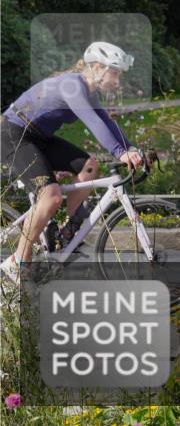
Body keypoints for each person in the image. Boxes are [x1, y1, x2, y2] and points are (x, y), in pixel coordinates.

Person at [0, 41, 145, 282]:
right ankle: (18, 263)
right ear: (98, 68)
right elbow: (93, 122)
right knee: (51, 195)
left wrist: (130, 148)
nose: (118, 81)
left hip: (38, 137)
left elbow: (107, 122)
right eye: (115, 74)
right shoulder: (72, 86)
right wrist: (120, 153)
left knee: (89, 165)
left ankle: (67, 235)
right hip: (12, 135)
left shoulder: (88, 90)